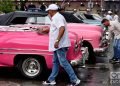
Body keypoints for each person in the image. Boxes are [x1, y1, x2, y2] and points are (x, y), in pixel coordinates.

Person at [37, 4, 80, 86]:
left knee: (63, 62)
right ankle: (51, 79)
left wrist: (57, 41)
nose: (48, 12)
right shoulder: (57, 17)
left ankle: (75, 80)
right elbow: (55, 29)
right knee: (55, 62)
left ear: (52, 11)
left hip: (60, 45)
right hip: (58, 45)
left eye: (49, 11)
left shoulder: (57, 17)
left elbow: (62, 28)